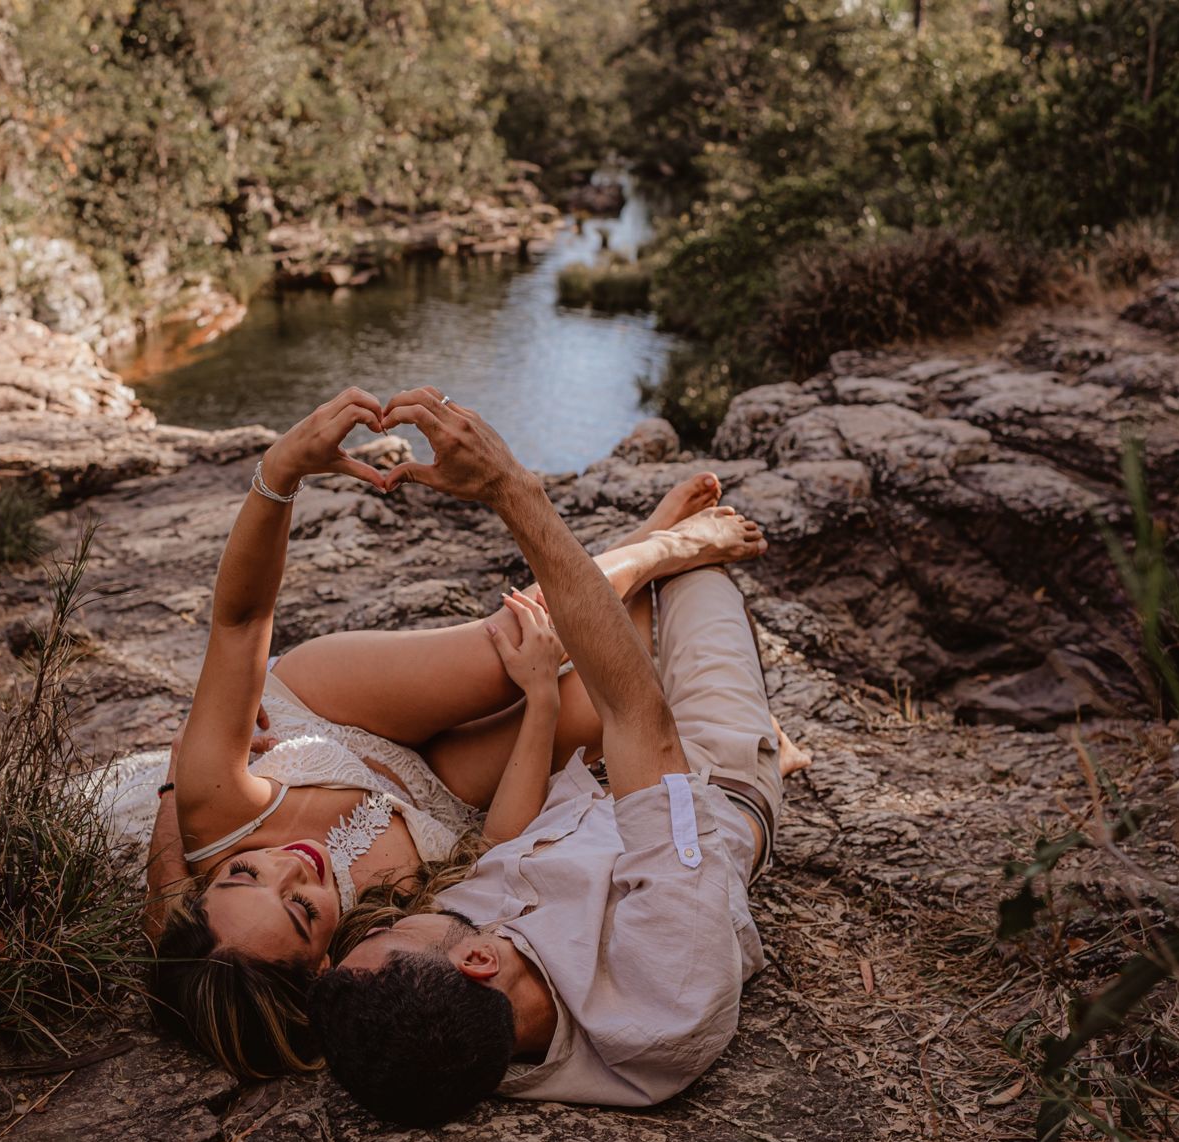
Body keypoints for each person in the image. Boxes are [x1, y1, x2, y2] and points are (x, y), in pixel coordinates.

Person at [132, 387, 768, 1078]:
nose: (296, 866)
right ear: (321, 964)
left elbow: (240, 622)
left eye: (247, 874)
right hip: (436, 789)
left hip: (335, 717)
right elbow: (496, 843)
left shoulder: (214, 809)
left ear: (207, 885)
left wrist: (281, 471)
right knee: (600, 691)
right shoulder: (381, 953)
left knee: (503, 655)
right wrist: (542, 712)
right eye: (299, 911)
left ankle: (657, 547)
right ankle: (626, 566)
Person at [310, 387, 782, 1126]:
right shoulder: (666, 991)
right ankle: (660, 566)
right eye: (391, 934)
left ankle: (636, 560)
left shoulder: (447, 1024)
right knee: (699, 572)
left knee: (553, 665)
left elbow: (502, 845)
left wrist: (543, 703)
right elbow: (641, 722)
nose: (379, 924)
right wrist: (510, 487)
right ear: (477, 964)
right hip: (708, 774)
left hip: (600, 774)